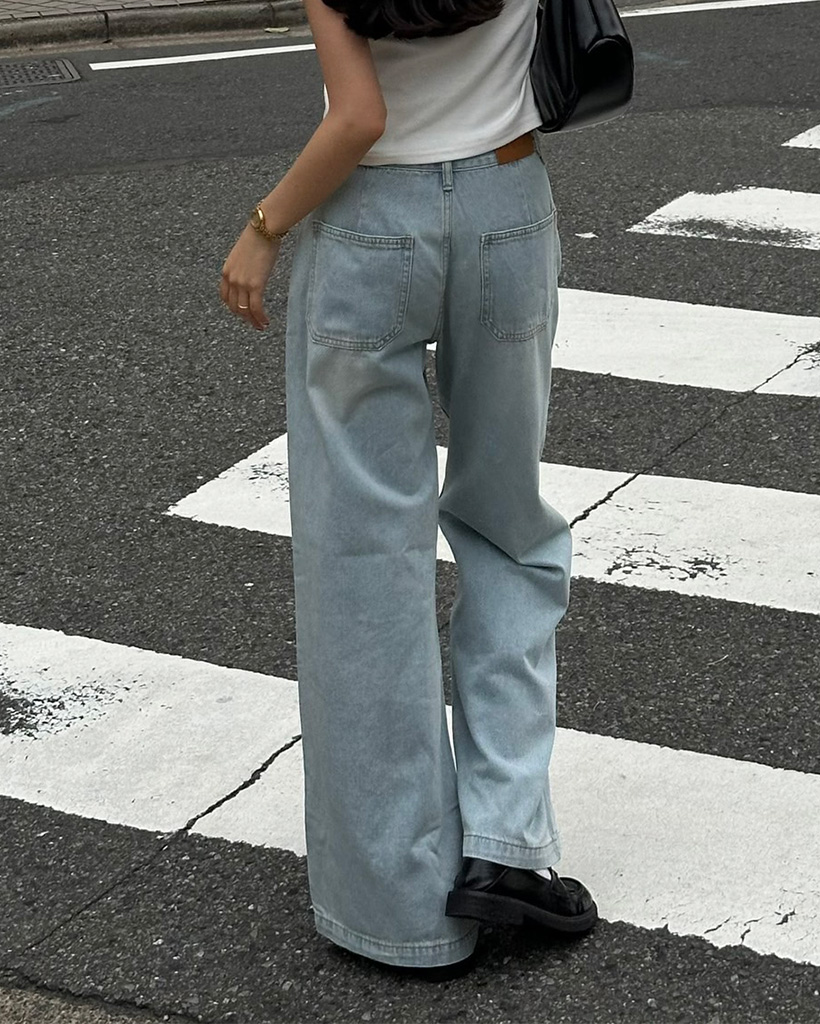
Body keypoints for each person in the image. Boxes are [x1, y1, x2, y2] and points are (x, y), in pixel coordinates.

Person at [219, 0, 598, 982]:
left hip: (368, 225)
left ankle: (398, 905)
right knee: (508, 529)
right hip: (506, 205)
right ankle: (508, 844)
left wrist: (264, 227)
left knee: (363, 559)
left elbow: (359, 118)